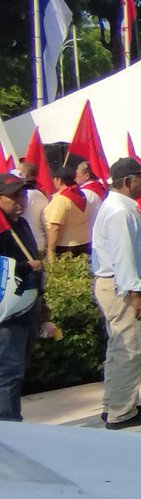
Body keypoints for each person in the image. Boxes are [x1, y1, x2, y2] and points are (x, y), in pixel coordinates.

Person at [91, 158, 141, 429]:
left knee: (120, 347)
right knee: (132, 348)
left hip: (116, 283)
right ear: (128, 181)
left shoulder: (119, 207)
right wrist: (136, 292)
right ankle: (121, 412)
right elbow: (122, 256)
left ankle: (117, 404)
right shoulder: (120, 211)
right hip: (121, 286)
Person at [0, 173, 45, 422]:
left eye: (23, 195)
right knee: (8, 370)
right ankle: (8, 426)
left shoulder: (20, 224)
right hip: (7, 312)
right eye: (14, 196)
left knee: (19, 369)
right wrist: (26, 268)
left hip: (29, 305)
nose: (22, 200)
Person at [43, 166, 92, 261]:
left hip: (67, 247)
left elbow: (55, 227)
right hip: (83, 242)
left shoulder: (61, 199)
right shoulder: (80, 194)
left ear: (58, 180)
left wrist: (50, 250)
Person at [18, 161, 48, 254]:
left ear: (28, 176)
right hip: (37, 242)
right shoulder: (40, 193)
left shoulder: (27, 194)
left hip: (30, 244)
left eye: (19, 173)